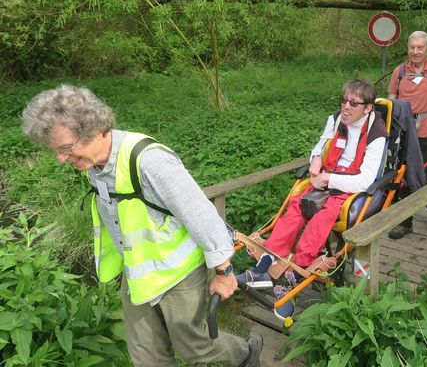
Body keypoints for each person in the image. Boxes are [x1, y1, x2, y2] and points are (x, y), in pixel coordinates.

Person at [21, 85, 262, 367]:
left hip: (179, 273)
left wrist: (224, 272)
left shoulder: (150, 161)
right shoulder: (93, 166)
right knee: (146, 358)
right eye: (56, 151)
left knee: (195, 347)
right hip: (138, 273)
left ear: (95, 130)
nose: (61, 159)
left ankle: (246, 353)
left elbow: (204, 217)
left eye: (66, 149)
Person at [236, 80, 387, 317]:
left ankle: (291, 278)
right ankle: (263, 268)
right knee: (296, 206)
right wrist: (316, 159)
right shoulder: (336, 118)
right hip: (324, 178)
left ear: (368, 108)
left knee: (321, 218)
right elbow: (321, 144)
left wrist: (328, 179)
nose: (346, 107)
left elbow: (365, 180)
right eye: (344, 100)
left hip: (348, 186)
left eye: (354, 103)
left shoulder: (377, 134)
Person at [386, 31, 427, 239]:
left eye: (420, 48)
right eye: (412, 47)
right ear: (408, 48)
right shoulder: (399, 71)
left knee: (424, 177)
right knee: (402, 177)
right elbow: (390, 105)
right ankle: (405, 222)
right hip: (402, 135)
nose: (415, 51)